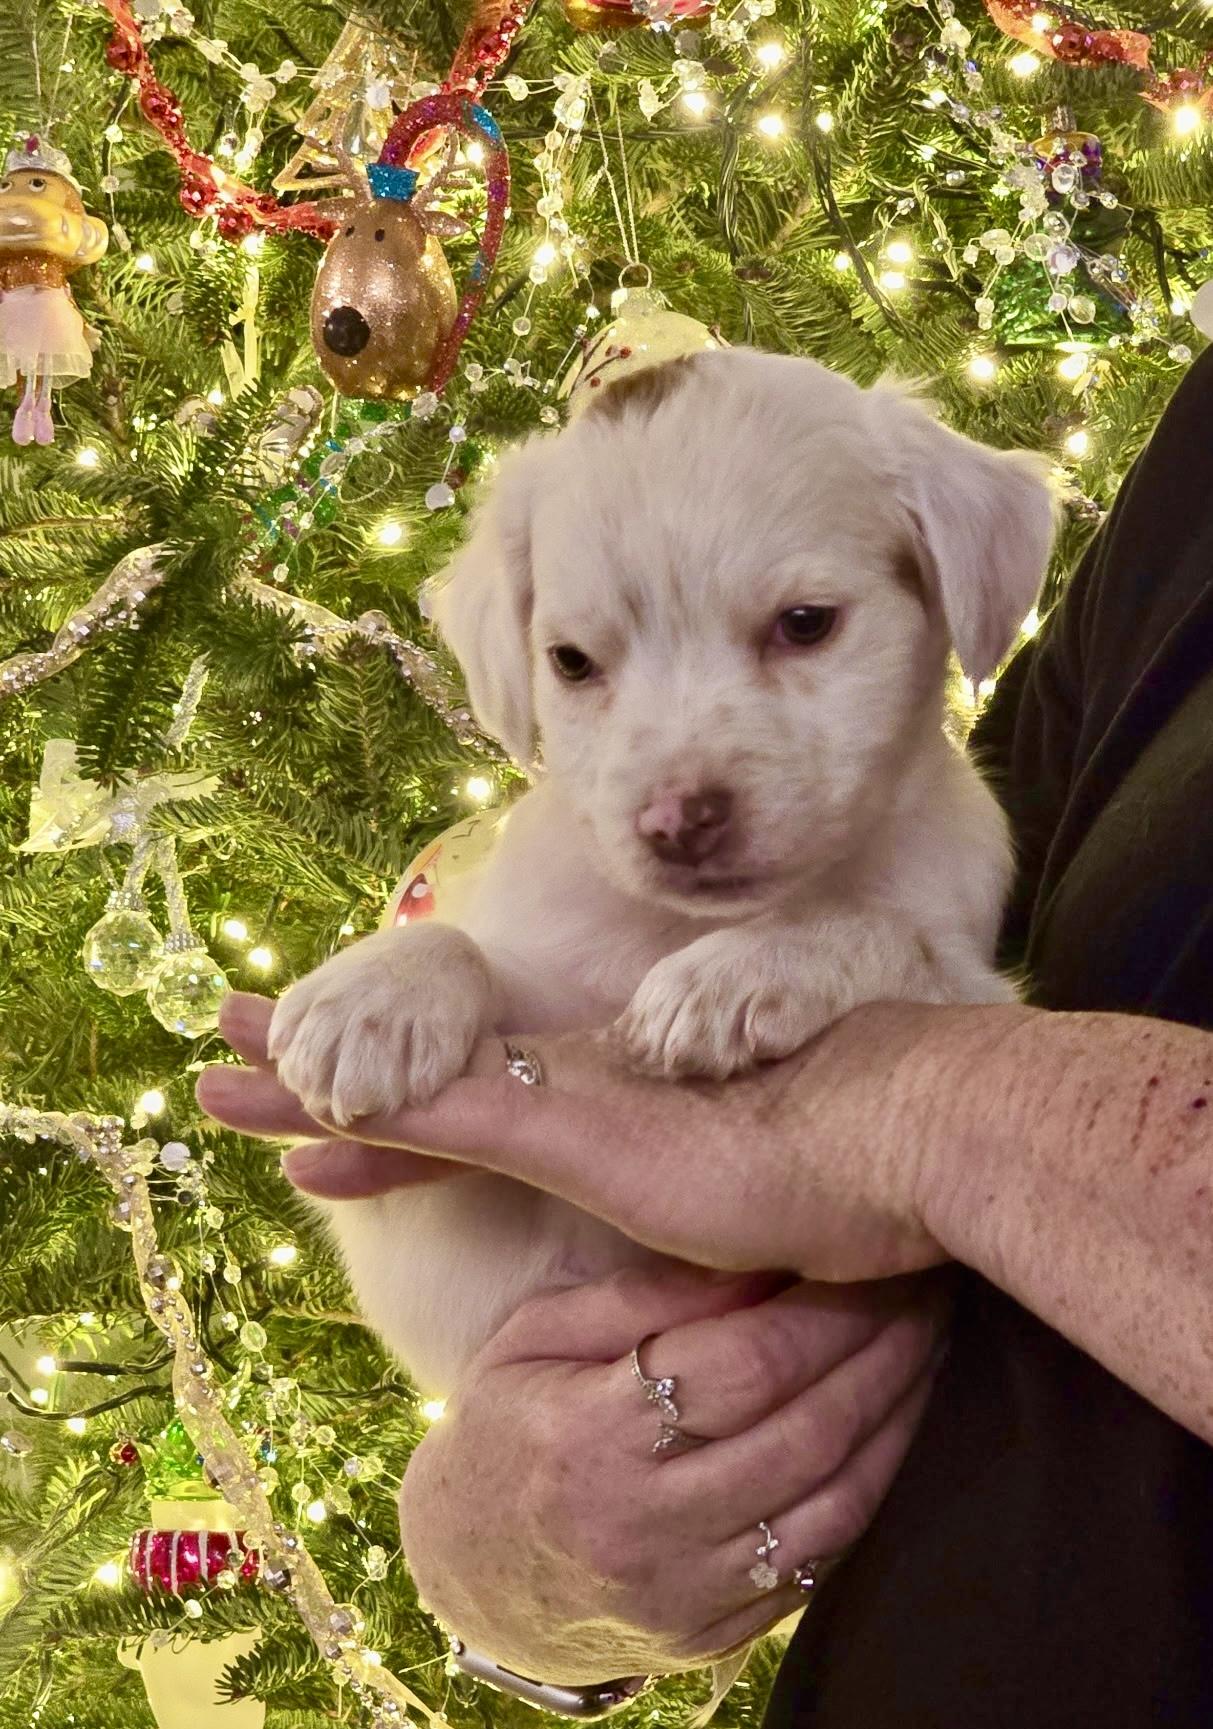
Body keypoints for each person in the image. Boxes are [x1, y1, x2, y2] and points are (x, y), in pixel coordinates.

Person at [199, 346, 1213, 1727]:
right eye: (578, 664)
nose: (677, 790)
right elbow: (462, 1269)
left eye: (799, 624)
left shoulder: (932, 852)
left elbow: (954, 989)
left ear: (949, 573)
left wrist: (896, 1085)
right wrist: (505, 1568)